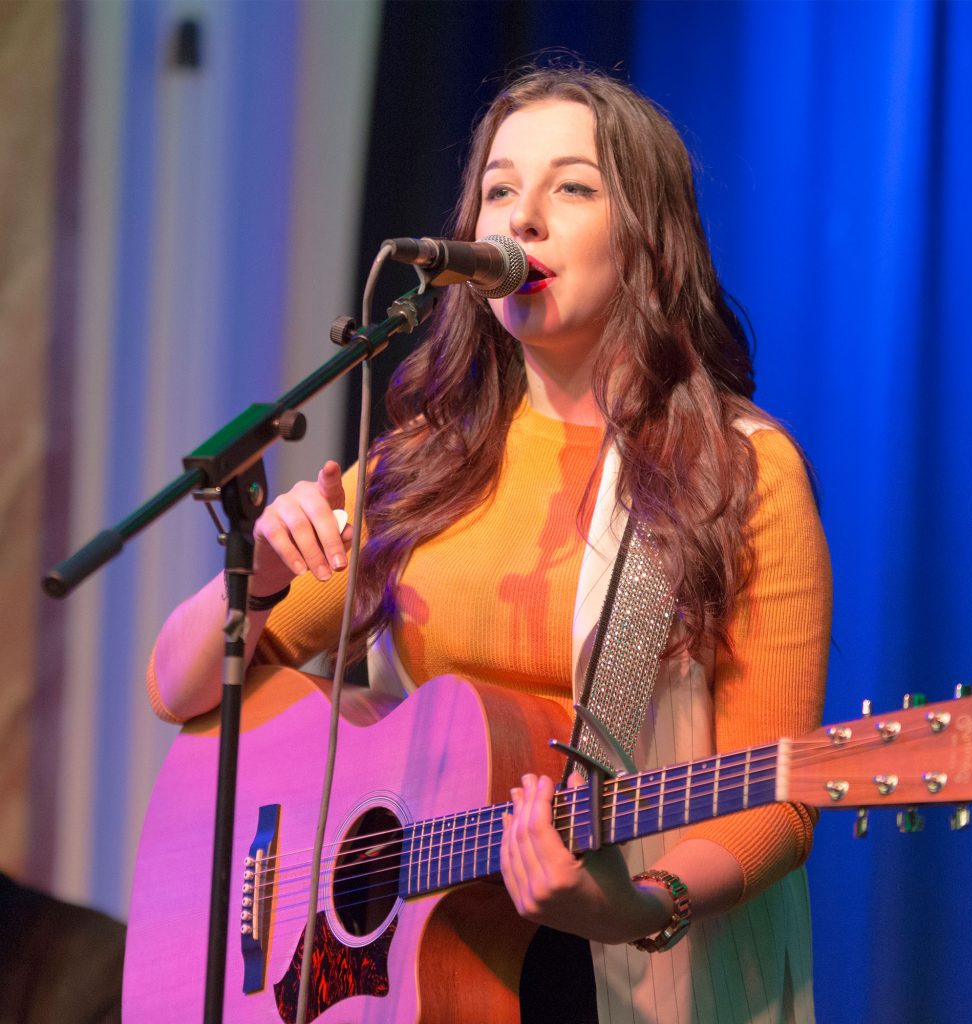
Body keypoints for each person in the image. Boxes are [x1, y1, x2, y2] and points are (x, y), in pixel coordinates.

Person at [149, 67, 830, 1024]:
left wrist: (634, 906)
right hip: (411, 975)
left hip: (623, 980)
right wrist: (256, 574)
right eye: (500, 189)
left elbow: (779, 797)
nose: (524, 220)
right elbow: (178, 687)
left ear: (650, 236)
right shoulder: (420, 466)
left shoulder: (739, 475)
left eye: (574, 188)